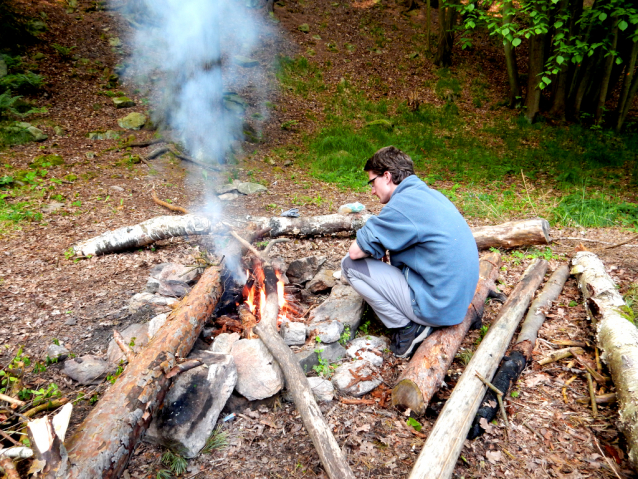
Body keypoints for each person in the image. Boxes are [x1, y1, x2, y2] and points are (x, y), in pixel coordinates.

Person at [341, 146, 479, 358]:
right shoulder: (431, 195)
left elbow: (355, 252)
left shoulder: (402, 204)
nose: (372, 190)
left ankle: (408, 328)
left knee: (349, 265)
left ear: (386, 176)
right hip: (457, 302)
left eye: (372, 182)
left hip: (437, 306)